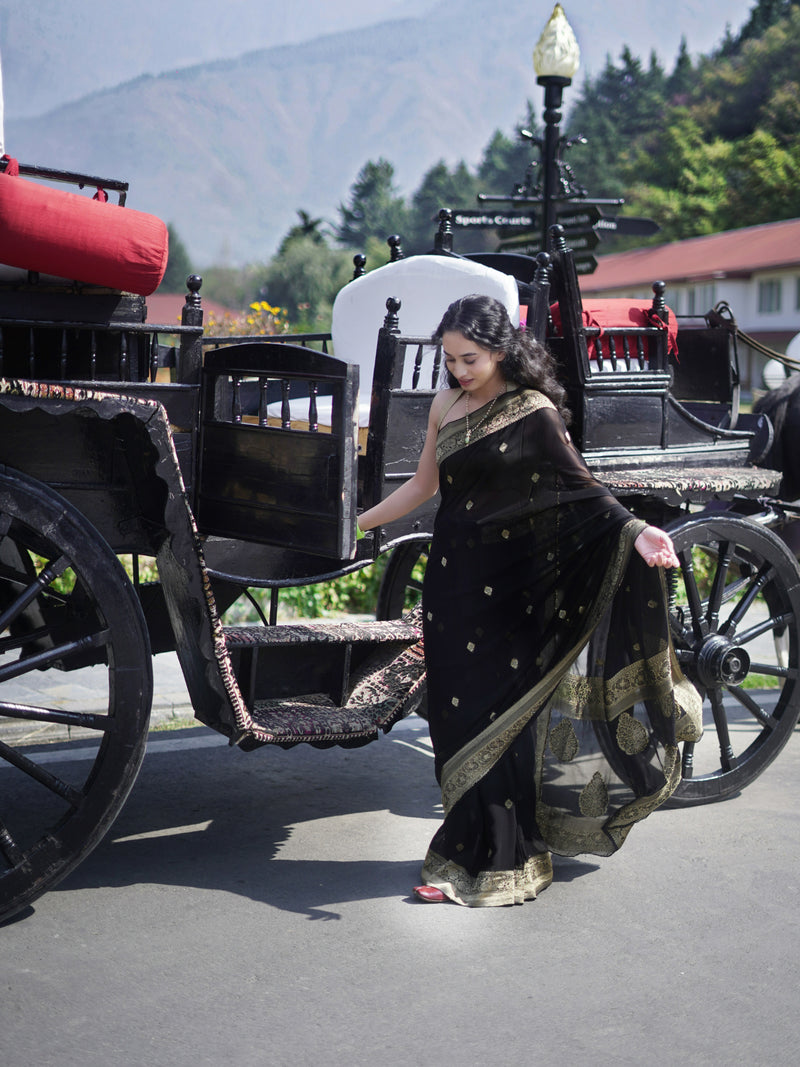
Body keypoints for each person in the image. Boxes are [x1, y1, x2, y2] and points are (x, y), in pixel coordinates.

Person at [357, 294, 702, 907]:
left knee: (504, 719)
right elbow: (422, 485)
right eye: (451, 360)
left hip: (514, 592)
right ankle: (461, 847)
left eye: (470, 359)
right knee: (456, 718)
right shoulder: (447, 405)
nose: (460, 371)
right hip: (452, 585)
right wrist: (361, 524)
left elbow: (580, 489)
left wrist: (636, 530)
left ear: (501, 350)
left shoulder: (533, 411)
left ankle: (509, 855)